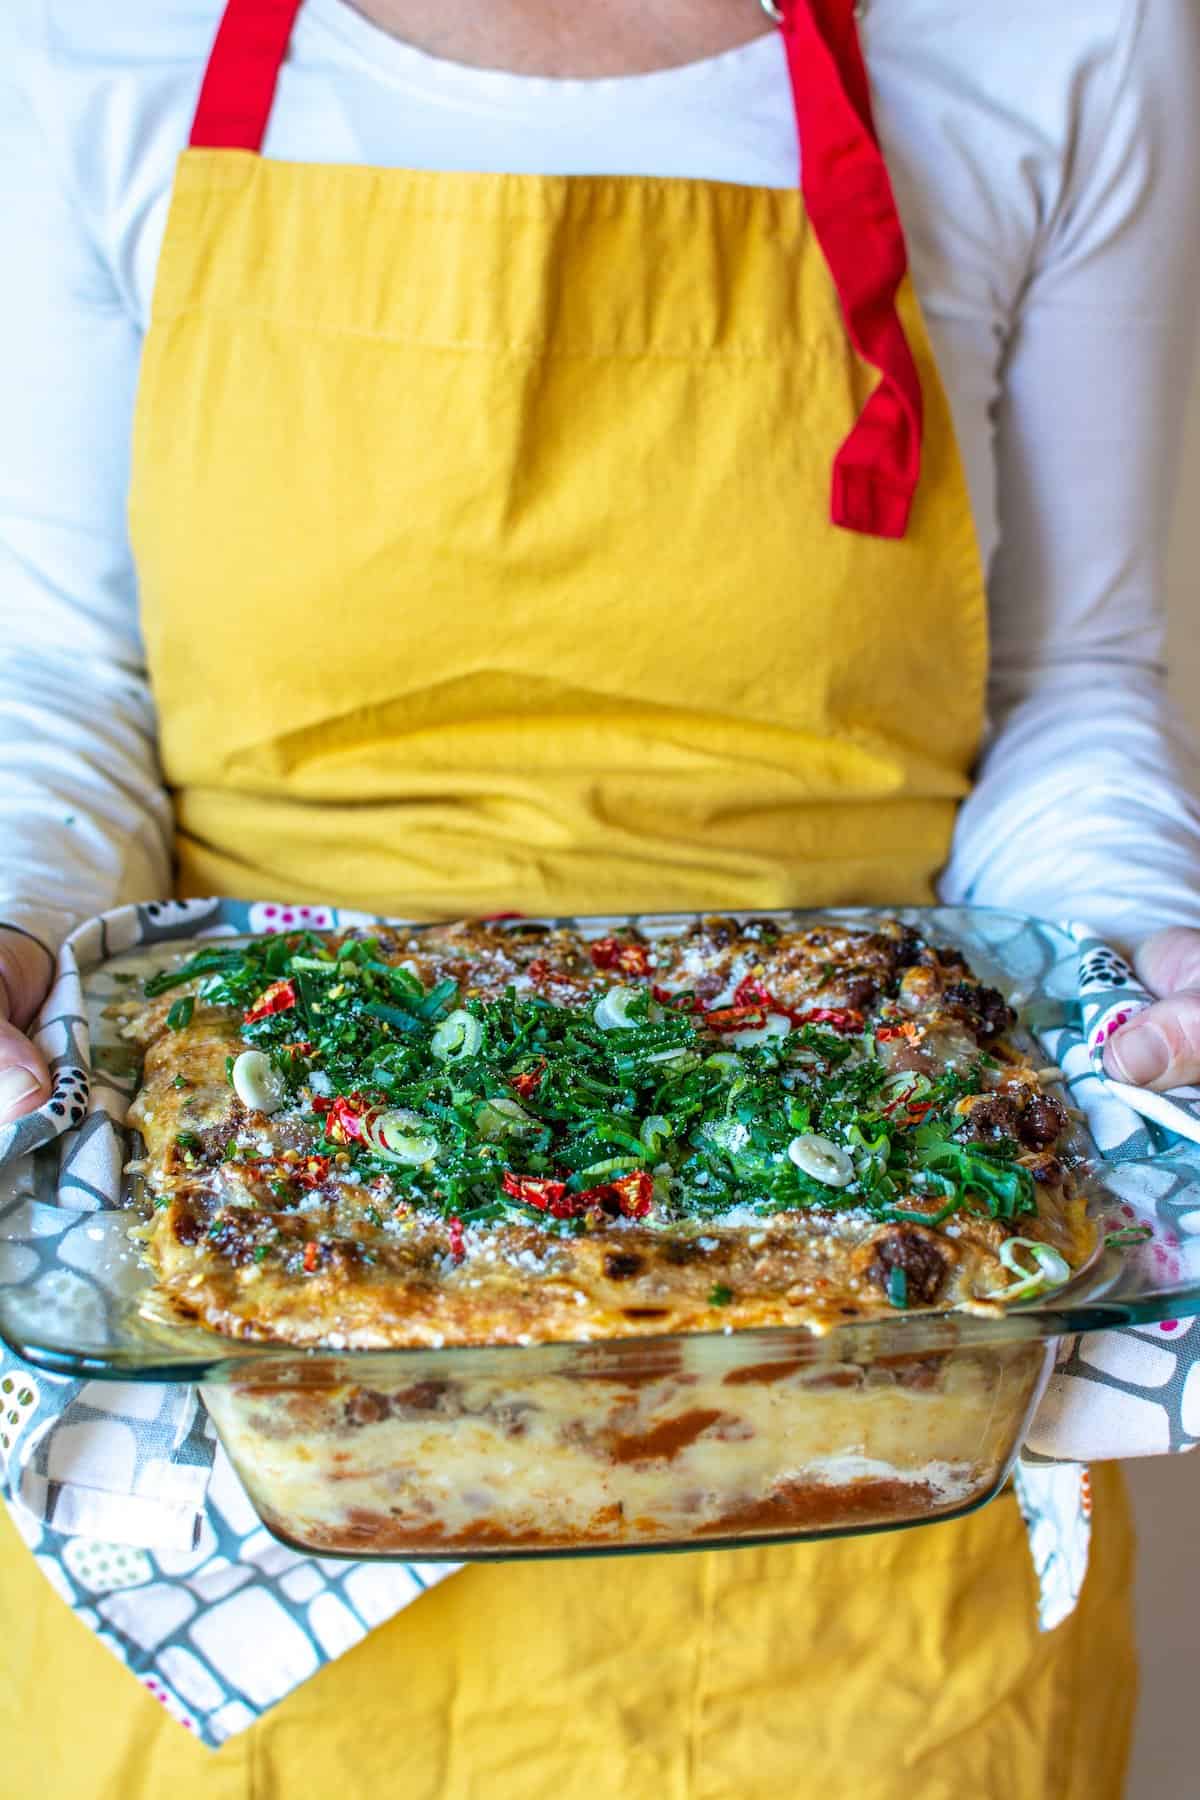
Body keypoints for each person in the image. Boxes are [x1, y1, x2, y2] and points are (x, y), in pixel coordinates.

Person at [2, 0, 1199, 1793]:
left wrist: (1146, 945)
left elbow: (1067, 679)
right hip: (244, 1395)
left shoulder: (1064, 35)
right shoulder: (89, 37)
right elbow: (71, 686)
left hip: (886, 1379)